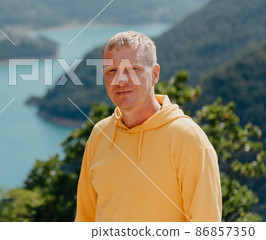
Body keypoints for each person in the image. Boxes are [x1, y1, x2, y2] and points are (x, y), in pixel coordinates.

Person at [75, 31, 222, 222]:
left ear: (154, 74)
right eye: (112, 71)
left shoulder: (188, 139)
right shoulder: (100, 134)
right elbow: (85, 219)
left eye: (134, 69)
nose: (121, 80)